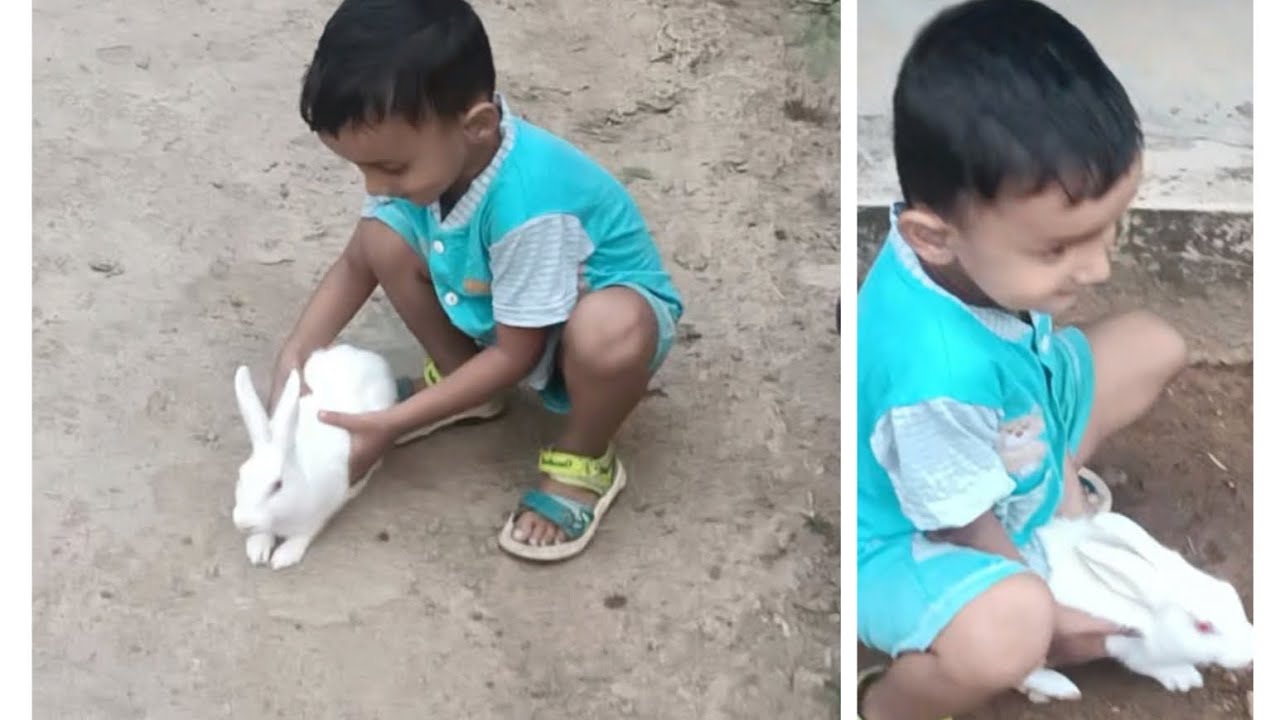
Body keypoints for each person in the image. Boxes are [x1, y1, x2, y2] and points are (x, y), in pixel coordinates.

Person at [855, 1, 1188, 718]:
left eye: (1108, 229)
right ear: (934, 236)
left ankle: (1042, 501)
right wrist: (1052, 605)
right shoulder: (932, 374)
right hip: (909, 531)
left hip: (1005, 423)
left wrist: (1060, 494)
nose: (1097, 268)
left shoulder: (976, 255)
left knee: (1153, 344)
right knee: (1013, 630)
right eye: (1058, 248)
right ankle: (891, 704)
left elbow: (1033, 360)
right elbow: (954, 523)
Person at [266, 0, 683, 562]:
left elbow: (516, 354)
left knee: (609, 331)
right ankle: (465, 385)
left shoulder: (529, 207)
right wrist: (296, 352)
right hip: (509, 301)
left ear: (478, 125)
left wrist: (388, 423)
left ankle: (584, 459)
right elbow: (355, 264)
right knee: (381, 237)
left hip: (586, 322)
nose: (375, 184)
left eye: (389, 168)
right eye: (360, 168)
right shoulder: (436, 159)